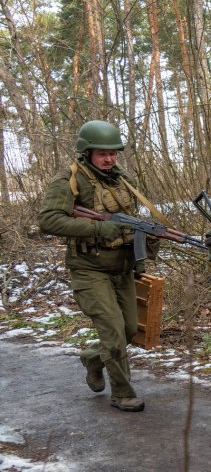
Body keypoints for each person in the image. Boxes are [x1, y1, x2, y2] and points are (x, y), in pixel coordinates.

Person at [38, 120, 149, 412]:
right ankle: (123, 393)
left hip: (122, 267)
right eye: (103, 154)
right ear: (87, 152)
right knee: (113, 333)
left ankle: (92, 358)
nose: (110, 159)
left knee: (127, 331)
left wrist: (144, 252)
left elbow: (133, 221)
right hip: (89, 268)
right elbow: (48, 220)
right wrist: (97, 229)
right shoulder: (70, 180)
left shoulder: (121, 179)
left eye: (114, 153)